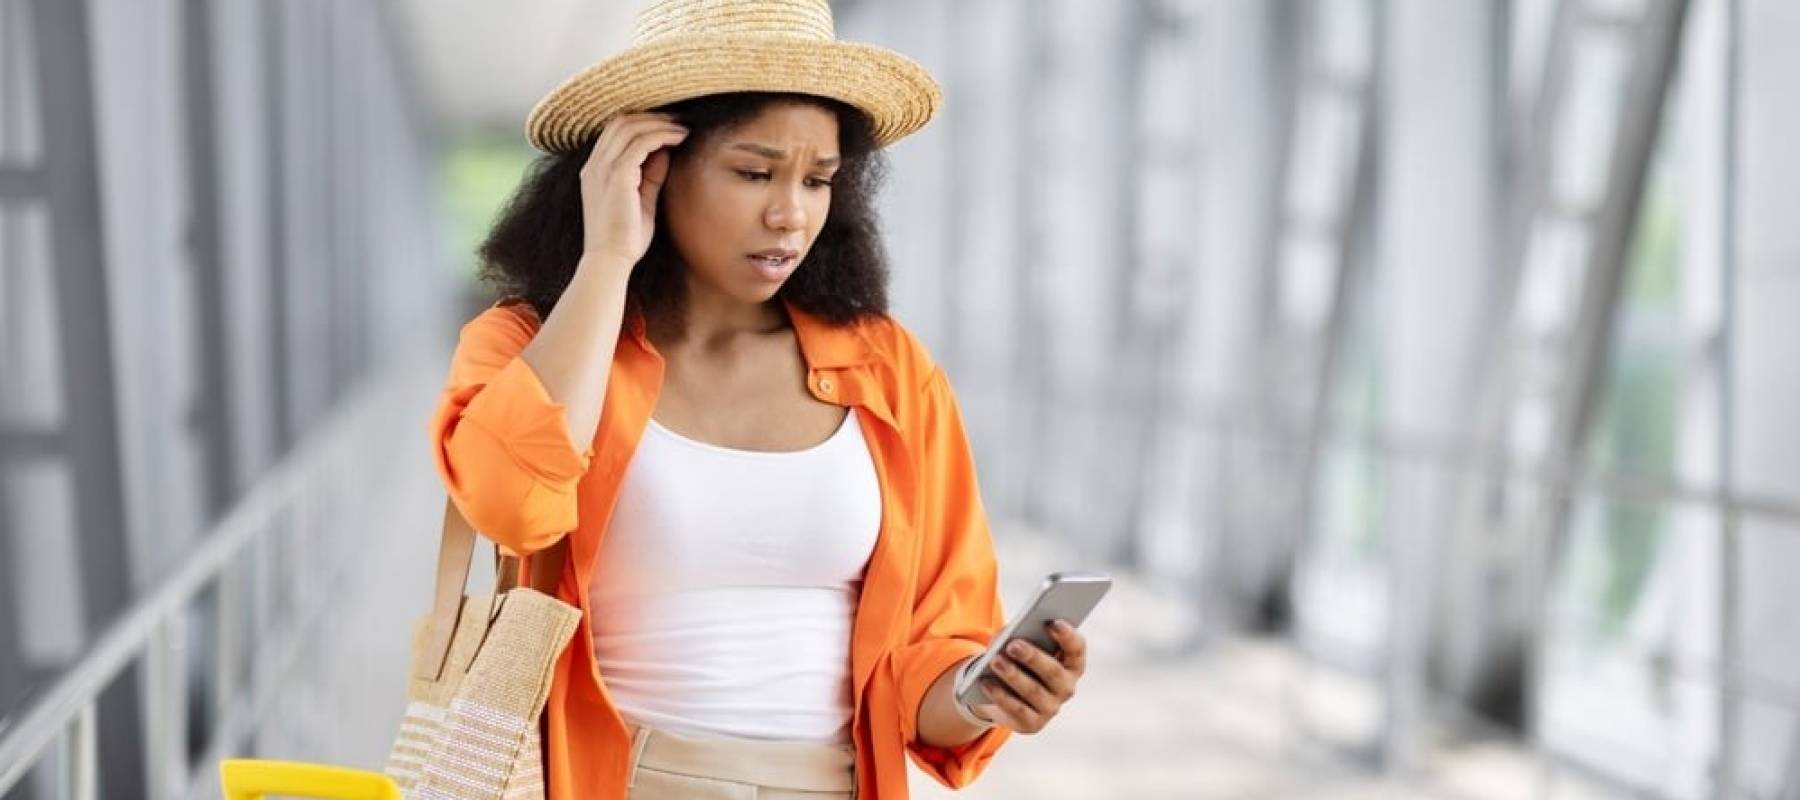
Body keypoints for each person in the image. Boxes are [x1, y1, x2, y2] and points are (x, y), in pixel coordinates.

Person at [429, 1, 1089, 797]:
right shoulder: (527, 346)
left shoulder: (891, 373)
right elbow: (510, 504)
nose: (790, 215)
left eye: (818, 181)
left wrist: (987, 693)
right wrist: (606, 258)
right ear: (648, 164)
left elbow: (929, 667)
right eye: (753, 172)